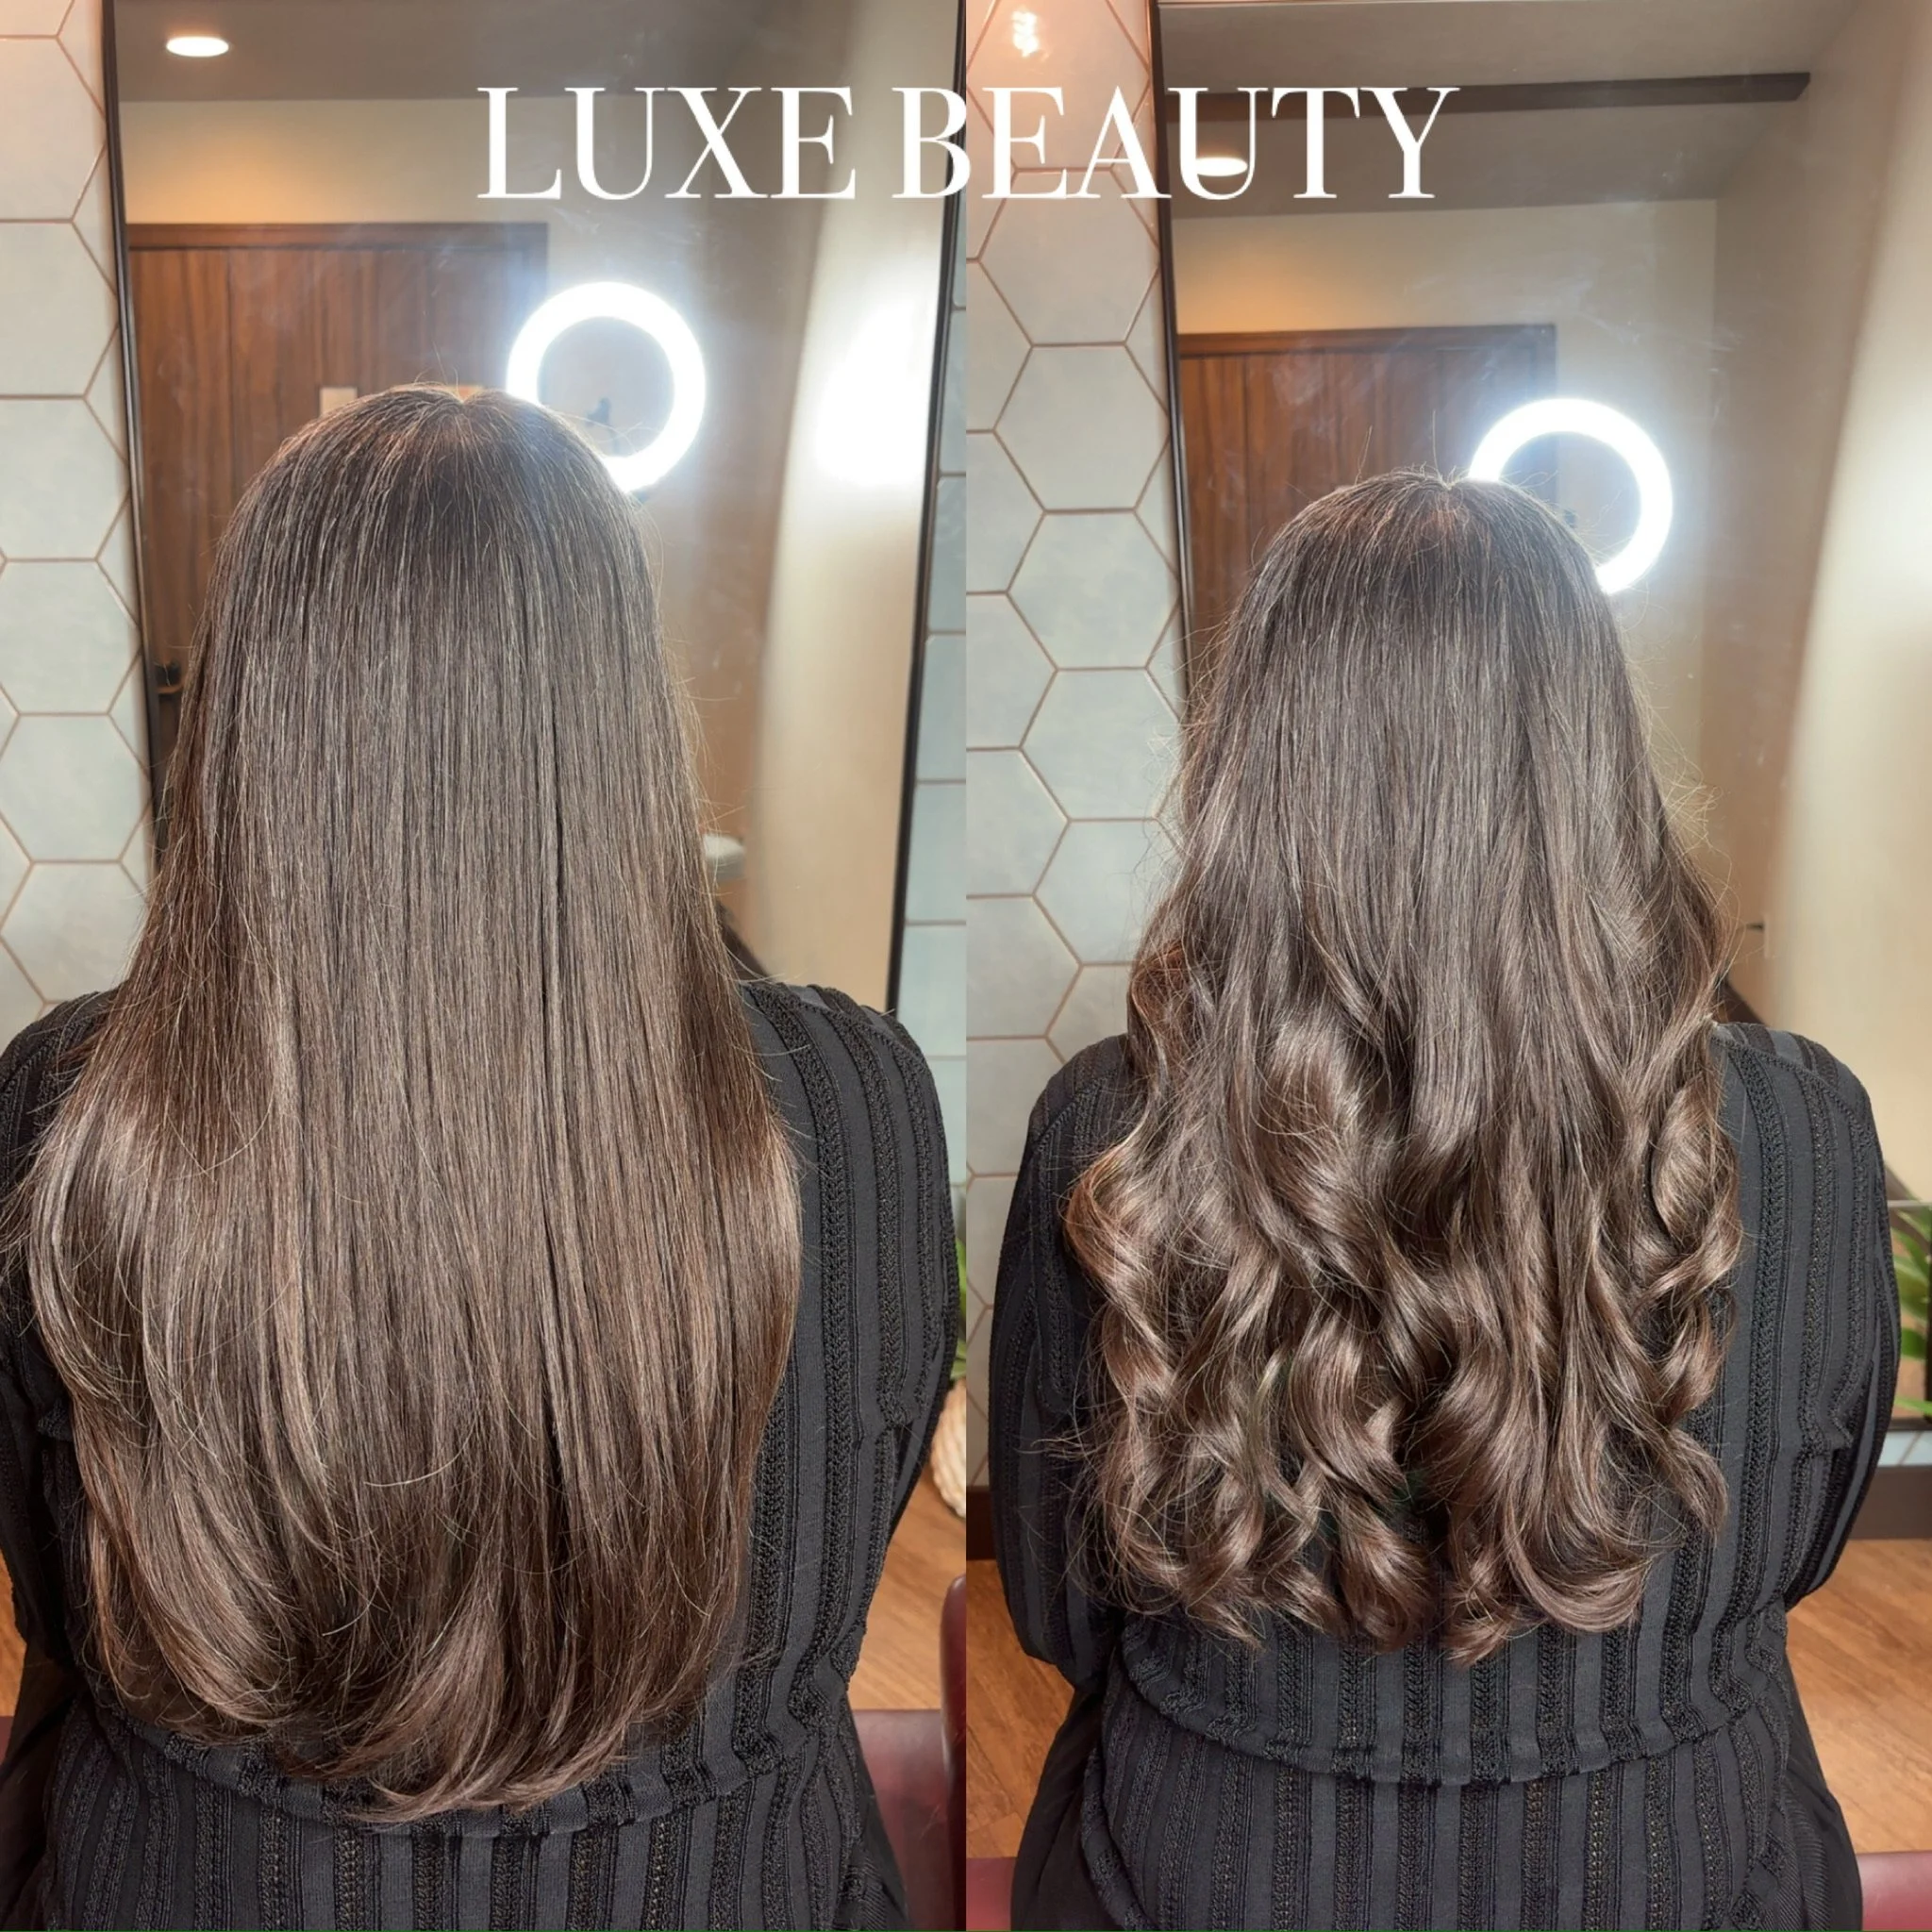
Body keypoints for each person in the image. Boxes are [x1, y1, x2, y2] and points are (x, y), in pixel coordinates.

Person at [0, 387, 956, 1929]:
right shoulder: (859, 1107)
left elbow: (57, 1600)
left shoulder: (67, 1110)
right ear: (620, 708)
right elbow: (858, 1530)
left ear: (251, 716)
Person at [991, 471, 1897, 1931]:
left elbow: (1057, 1604)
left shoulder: (1112, 1135)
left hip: (1212, 1867)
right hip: (1676, 1863)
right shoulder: (1800, 1133)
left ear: (1258, 770)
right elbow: (1799, 1548)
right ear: (1591, 754)